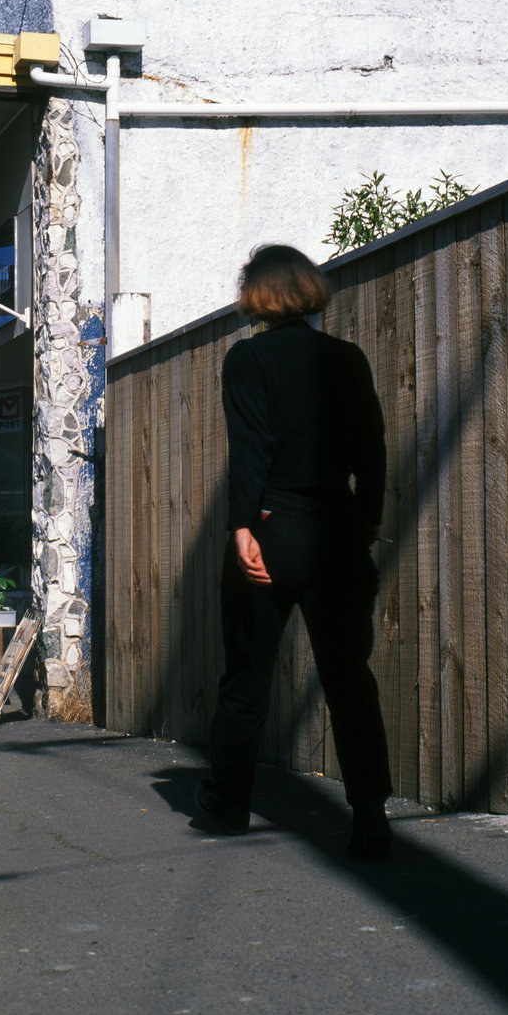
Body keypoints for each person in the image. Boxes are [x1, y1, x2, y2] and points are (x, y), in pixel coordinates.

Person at [196, 244, 394, 858]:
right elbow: (373, 447)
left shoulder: (247, 359)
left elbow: (251, 449)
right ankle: (370, 817)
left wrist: (241, 528)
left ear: (256, 294)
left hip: (272, 528)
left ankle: (229, 806)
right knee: (349, 676)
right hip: (337, 527)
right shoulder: (347, 358)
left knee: (246, 676)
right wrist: (368, 517)